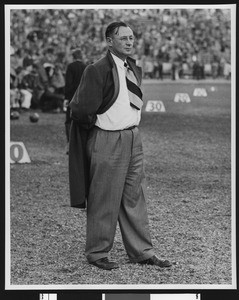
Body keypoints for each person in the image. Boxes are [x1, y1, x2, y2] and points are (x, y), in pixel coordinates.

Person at [69, 21, 172, 270]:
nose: (129, 42)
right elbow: (81, 109)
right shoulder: (96, 69)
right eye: (123, 38)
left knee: (135, 196)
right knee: (104, 196)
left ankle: (141, 251)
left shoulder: (132, 67)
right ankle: (97, 252)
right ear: (109, 41)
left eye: (131, 38)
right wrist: (101, 127)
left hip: (133, 137)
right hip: (108, 137)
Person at [64, 48, 87, 144]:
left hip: (72, 96)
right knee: (81, 120)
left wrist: (66, 97)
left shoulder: (71, 66)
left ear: (73, 57)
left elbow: (68, 83)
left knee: (69, 120)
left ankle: (70, 143)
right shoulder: (86, 66)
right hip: (83, 96)